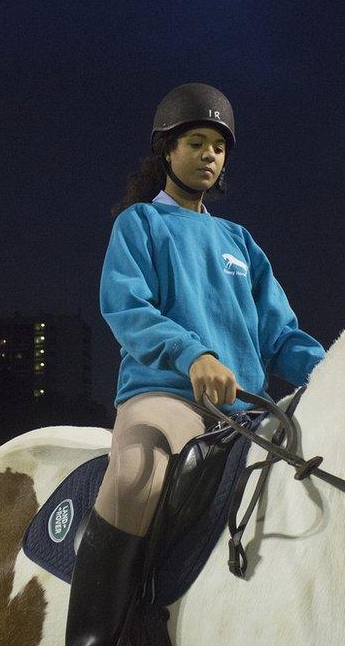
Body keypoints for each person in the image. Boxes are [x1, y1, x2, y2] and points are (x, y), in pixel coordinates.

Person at [66, 82, 326, 646]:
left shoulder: (240, 241)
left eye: (219, 147)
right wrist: (194, 354)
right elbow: (128, 309)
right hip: (167, 397)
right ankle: (95, 635)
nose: (210, 154)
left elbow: (279, 333)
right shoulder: (139, 225)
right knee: (137, 476)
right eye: (196, 142)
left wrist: (331, 372)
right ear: (167, 150)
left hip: (246, 410)